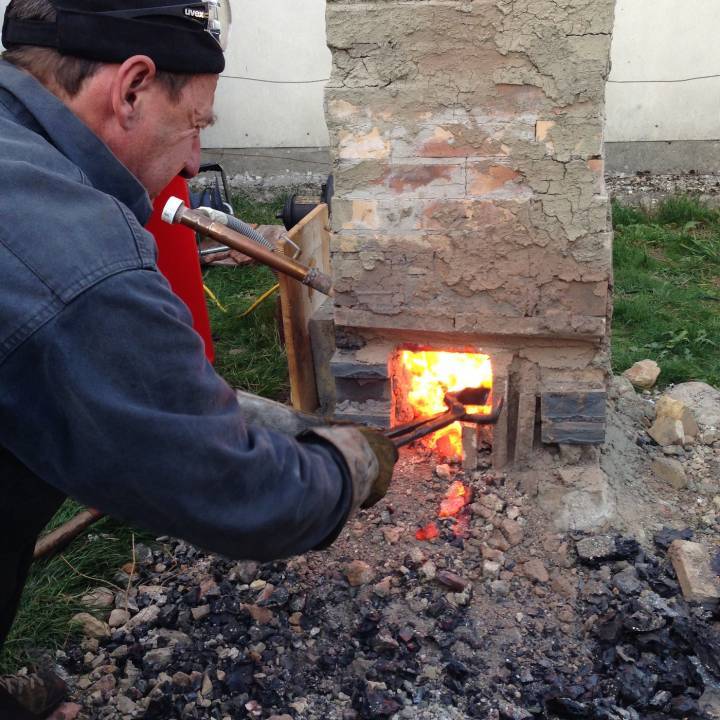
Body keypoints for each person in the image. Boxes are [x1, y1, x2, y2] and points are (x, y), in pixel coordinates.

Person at [0, 1, 398, 717]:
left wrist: (265, 420)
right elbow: (228, 491)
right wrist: (346, 467)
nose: (193, 161)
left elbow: (89, 374)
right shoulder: (80, 261)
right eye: (197, 126)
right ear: (130, 89)